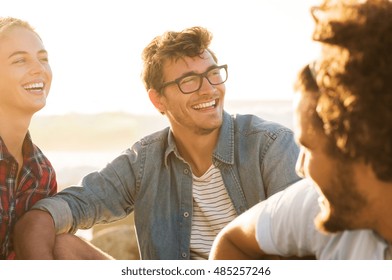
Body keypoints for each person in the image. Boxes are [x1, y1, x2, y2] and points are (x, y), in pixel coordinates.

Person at [13, 26, 300, 260]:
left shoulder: (270, 146)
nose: (209, 89)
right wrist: (39, 222)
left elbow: (302, 246)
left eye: (213, 73)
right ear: (157, 99)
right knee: (63, 245)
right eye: (189, 80)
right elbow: (73, 205)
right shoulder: (144, 161)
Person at [209, 0, 392, 260]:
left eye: (307, 147)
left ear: (359, 141)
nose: (300, 167)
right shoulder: (320, 205)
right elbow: (231, 243)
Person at [0, 17, 57, 260]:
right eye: (20, 60)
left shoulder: (42, 173)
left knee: (64, 244)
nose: (39, 69)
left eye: (43, 58)